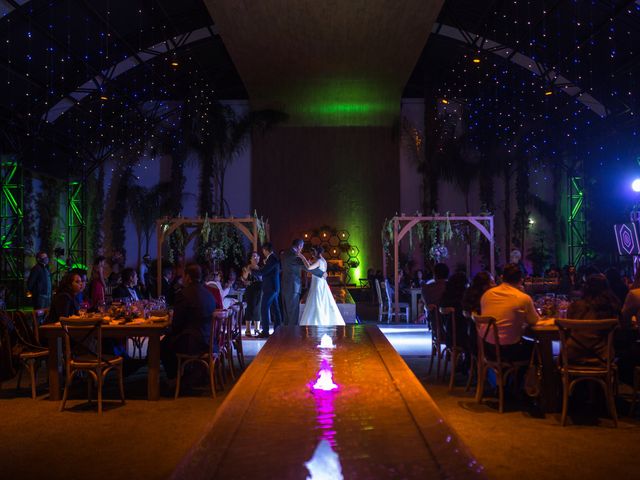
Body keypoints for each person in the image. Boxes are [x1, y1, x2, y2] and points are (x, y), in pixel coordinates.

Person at [160, 264, 217, 384]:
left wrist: (167, 328)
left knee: (162, 345)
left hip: (193, 343)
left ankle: (175, 380)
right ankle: (185, 374)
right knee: (168, 340)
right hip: (210, 340)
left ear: (188, 277)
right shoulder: (209, 294)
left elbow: (177, 325)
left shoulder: (183, 294)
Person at [479, 263, 540, 361]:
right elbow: (533, 321)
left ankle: (508, 374)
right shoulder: (523, 297)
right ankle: (520, 375)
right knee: (538, 349)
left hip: (487, 349)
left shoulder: (487, 294)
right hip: (509, 351)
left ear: (502, 278)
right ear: (521, 280)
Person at [566, 274, 620, 365]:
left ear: (585, 288)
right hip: (603, 356)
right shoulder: (611, 306)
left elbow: (568, 329)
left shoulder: (574, 306)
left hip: (572, 355)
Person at [297, 246, 345, 326]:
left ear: (317, 252)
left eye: (313, 252)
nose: (312, 254)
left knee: (317, 301)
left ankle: (317, 321)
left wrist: (302, 258)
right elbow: (320, 271)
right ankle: (323, 319)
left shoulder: (319, 261)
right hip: (322, 283)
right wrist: (310, 262)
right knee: (322, 301)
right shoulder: (324, 261)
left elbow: (309, 268)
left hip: (318, 284)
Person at [256, 242, 281, 338]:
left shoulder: (272, 259)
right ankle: (278, 330)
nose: (263, 252)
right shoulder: (272, 258)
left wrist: (251, 271)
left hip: (271, 288)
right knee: (275, 309)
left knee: (264, 308)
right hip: (273, 287)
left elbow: (263, 271)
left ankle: (266, 331)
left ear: (266, 250)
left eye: (263, 250)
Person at [280, 239, 306, 326]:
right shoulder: (294, 256)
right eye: (301, 247)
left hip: (284, 286)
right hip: (293, 287)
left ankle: (286, 335)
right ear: (299, 246)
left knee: (286, 314)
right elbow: (307, 268)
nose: (301, 249)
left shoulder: (284, 254)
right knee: (293, 314)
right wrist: (321, 272)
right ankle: (292, 336)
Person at [241, 252, 262, 336]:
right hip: (250, 290)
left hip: (259, 290)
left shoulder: (261, 268)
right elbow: (244, 278)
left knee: (258, 308)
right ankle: (248, 330)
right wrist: (248, 271)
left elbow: (262, 278)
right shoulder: (246, 268)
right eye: (254, 256)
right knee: (250, 308)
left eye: (257, 256)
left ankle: (257, 329)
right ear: (250, 259)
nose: (256, 258)